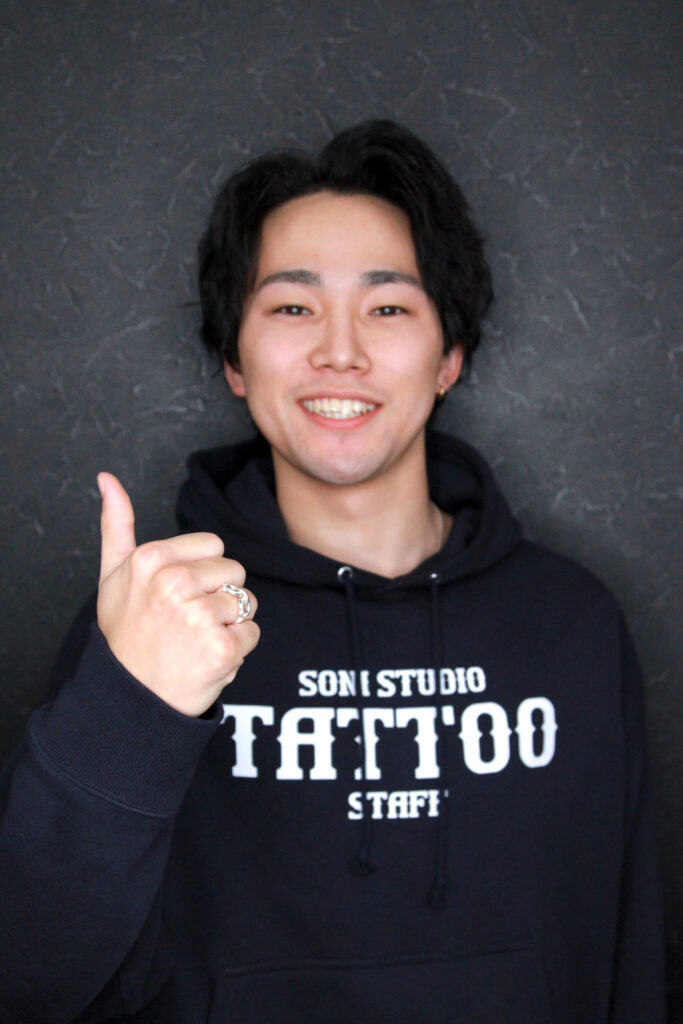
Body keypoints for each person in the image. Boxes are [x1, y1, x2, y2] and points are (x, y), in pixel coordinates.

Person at [0, 120, 666, 1023]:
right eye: (291, 308)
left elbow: (627, 965)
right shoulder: (152, 625)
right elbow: (30, 978)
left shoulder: (570, 623)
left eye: (388, 308)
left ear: (449, 357)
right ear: (234, 362)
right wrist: (128, 708)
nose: (340, 352)